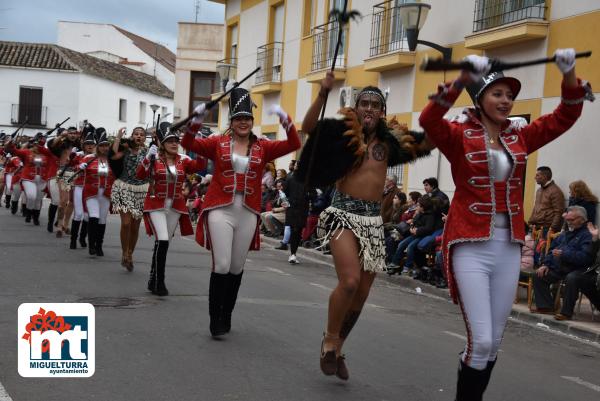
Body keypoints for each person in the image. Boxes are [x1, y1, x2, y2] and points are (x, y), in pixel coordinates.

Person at [418, 49, 593, 400]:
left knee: (493, 343)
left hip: (508, 246)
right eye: (498, 94)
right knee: (480, 340)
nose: (506, 101)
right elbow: (428, 120)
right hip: (469, 245)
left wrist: (569, 72)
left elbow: (566, 115)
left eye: (510, 95)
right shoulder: (458, 135)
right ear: (480, 98)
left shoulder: (520, 136)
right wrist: (461, 78)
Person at [297, 73, 433, 381]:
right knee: (348, 282)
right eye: (364, 103)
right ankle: (329, 339)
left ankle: (338, 348)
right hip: (342, 214)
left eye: (375, 104)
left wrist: (443, 107)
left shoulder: (390, 141)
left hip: (373, 222)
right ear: (356, 109)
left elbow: (428, 141)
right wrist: (322, 93)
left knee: (361, 293)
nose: (369, 108)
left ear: (382, 112)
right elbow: (308, 127)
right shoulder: (341, 131)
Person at [181, 87, 301, 337]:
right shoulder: (217, 143)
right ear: (232, 122)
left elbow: (294, 143)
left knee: (236, 266)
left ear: (252, 122)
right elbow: (187, 143)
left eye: (247, 118)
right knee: (222, 264)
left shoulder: (263, 147)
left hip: (247, 211)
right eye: (239, 118)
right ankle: (215, 320)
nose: (243, 122)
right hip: (220, 209)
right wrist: (196, 120)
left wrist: (285, 119)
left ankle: (227, 314)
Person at [136, 122, 205, 296]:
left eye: (176, 140)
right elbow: (140, 175)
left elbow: (200, 166)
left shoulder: (183, 159)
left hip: (175, 206)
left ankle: (152, 278)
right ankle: (160, 281)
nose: (174, 144)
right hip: (156, 204)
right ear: (162, 144)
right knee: (164, 240)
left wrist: (200, 145)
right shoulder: (154, 158)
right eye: (170, 141)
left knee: (162, 242)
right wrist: (147, 159)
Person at [532, 206, 593, 320]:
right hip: (561, 267)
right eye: (567, 220)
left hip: (579, 269)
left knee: (572, 278)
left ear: (582, 219)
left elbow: (585, 258)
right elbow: (551, 250)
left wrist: (564, 254)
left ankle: (566, 313)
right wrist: (546, 264)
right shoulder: (565, 234)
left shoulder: (587, 235)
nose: (568, 223)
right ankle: (546, 306)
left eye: (572, 220)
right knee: (539, 274)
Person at [110, 126, 150, 271]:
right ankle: (124, 252)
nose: (139, 136)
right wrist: (119, 137)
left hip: (141, 191)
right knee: (126, 223)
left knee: (135, 226)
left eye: (141, 134)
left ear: (145, 138)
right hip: (124, 187)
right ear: (132, 136)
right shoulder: (125, 149)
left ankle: (130, 254)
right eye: (136, 134)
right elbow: (113, 154)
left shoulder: (148, 152)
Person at [79, 128, 115, 257]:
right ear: (98, 147)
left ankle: (99, 245)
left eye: (106, 146)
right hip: (91, 193)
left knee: (102, 220)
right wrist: (81, 167)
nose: (104, 148)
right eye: (102, 146)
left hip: (105, 193)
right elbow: (80, 165)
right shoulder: (89, 158)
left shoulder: (112, 160)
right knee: (93, 216)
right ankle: (91, 245)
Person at [386, 196, 436, 275]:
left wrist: (417, 230)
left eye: (419, 205)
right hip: (414, 234)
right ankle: (395, 263)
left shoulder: (430, 216)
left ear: (423, 207)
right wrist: (412, 227)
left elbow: (428, 228)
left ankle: (407, 266)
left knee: (410, 247)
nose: (417, 207)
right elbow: (414, 222)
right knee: (401, 244)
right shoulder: (419, 213)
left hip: (421, 236)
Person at [68, 128, 96, 249]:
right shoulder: (79, 155)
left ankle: (82, 237)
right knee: (78, 213)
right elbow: (71, 165)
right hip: (79, 186)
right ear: (83, 145)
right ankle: (73, 239)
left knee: (87, 215)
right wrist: (75, 160)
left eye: (92, 144)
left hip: (90, 188)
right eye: (88, 144)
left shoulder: (96, 157)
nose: (90, 146)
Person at [528, 166, 565, 233]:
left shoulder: (555, 191)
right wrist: (530, 222)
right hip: (535, 227)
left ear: (544, 176)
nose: (535, 177)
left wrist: (552, 229)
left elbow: (559, 212)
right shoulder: (539, 190)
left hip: (547, 228)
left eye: (537, 175)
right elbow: (535, 207)